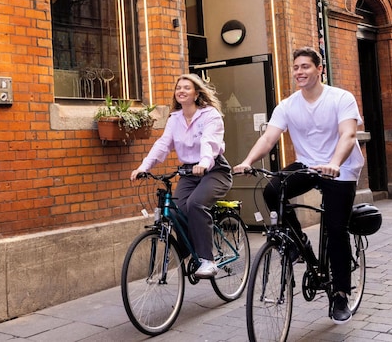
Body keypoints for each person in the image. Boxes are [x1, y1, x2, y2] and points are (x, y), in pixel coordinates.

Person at [232, 46, 363, 325]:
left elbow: (348, 135)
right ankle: (298, 241)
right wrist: (247, 161)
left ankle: (340, 294)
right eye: (296, 67)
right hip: (307, 164)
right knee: (272, 189)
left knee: (336, 230)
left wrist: (335, 162)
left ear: (319, 69)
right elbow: (269, 138)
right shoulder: (288, 105)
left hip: (340, 169)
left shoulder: (341, 98)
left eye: (305, 66)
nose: (299, 72)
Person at [131, 73, 232, 279]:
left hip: (214, 170)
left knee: (196, 204)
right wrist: (144, 167)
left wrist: (204, 162)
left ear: (196, 94)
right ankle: (189, 250)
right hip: (189, 172)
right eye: (179, 88)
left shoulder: (209, 115)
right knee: (174, 210)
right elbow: (163, 144)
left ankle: (208, 260)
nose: (181, 91)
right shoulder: (175, 119)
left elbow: (209, 142)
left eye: (187, 87)